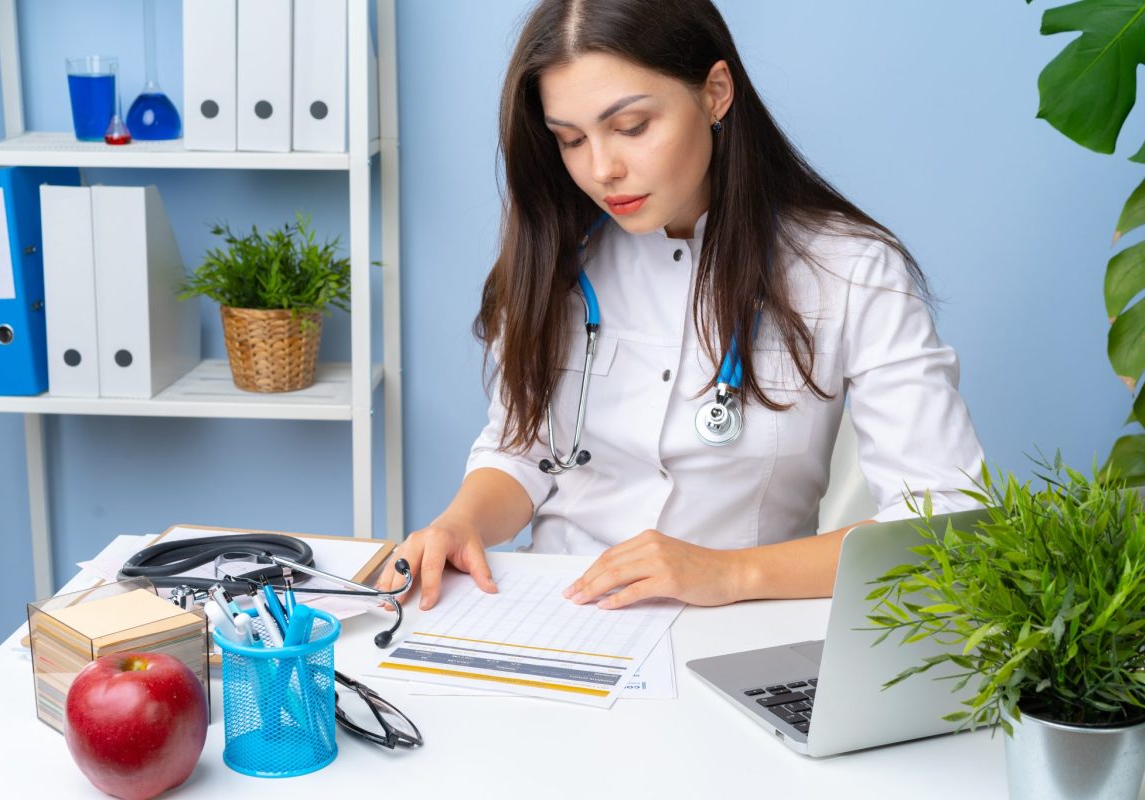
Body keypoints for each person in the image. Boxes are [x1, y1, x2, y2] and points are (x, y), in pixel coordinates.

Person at [378, 0, 984, 611]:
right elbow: (521, 451)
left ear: (716, 92)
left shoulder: (852, 270)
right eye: (570, 139)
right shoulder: (555, 253)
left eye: (632, 127)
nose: (601, 169)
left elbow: (950, 526)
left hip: (741, 630)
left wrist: (728, 574)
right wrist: (462, 523)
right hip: (560, 611)